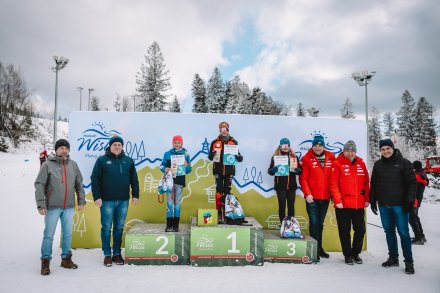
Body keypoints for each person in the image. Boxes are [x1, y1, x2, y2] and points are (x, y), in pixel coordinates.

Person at [35, 139, 85, 275]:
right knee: (48, 235)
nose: (64, 150)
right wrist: (41, 204)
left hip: (68, 206)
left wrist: (81, 201)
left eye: (66, 148)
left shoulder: (73, 165)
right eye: (61, 148)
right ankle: (45, 261)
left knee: (67, 234)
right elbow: (39, 184)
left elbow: (79, 184)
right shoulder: (47, 165)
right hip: (52, 206)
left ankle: (66, 259)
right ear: (56, 150)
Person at [370, 138, 417, 274]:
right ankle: (393, 258)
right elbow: (374, 184)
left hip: (400, 206)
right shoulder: (378, 164)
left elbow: (412, 183)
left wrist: (409, 201)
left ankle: (409, 262)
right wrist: (373, 200)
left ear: (393, 148)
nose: (385, 151)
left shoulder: (404, 163)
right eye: (383, 149)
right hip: (384, 205)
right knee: (389, 232)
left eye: (388, 148)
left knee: (403, 233)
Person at [91, 135, 139, 267]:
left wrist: (135, 195)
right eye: (114, 145)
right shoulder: (102, 160)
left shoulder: (128, 161)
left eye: (119, 144)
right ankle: (107, 254)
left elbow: (134, 179)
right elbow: (95, 179)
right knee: (106, 227)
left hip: (123, 200)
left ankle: (117, 253)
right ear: (110, 146)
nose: (117, 146)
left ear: (122, 146)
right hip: (106, 201)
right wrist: (97, 197)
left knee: (119, 227)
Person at [330, 141, 369, 265]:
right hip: (343, 205)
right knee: (344, 231)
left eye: (353, 151)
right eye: (348, 150)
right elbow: (333, 184)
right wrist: (338, 200)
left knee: (360, 230)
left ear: (355, 152)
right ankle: (347, 254)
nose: (350, 153)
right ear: (344, 151)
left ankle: (355, 252)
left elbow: (366, 183)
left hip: (358, 204)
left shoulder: (361, 164)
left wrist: (367, 199)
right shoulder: (337, 164)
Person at [299, 134, 335, 261]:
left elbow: (334, 177)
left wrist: (333, 194)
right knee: (314, 223)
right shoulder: (307, 158)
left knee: (320, 224)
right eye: (315, 145)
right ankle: (314, 249)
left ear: (323, 146)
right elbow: (303, 179)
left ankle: (319, 248)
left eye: (320, 145)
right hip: (312, 198)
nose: (317, 147)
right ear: (312, 146)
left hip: (325, 197)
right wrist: (307, 194)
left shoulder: (331, 157)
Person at [208, 122, 243, 223]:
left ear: (228, 130)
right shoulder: (214, 142)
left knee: (227, 191)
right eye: (222, 129)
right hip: (218, 170)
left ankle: (228, 214)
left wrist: (238, 157)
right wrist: (211, 154)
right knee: (219, 190)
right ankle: (219, 213)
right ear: (219, 130)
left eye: (226, 129)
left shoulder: (234, 142)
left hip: (229, 171)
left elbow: (239, 157)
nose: (224, 131)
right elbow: (210, 157)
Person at [160, 135, 192, 232]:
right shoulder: (167, 153)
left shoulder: (185, 154)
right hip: (170, 182)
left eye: (179, 142)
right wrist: (166, 169)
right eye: (175, 142)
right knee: (169, 203)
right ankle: (169, 225)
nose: (177, 144)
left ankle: (176, 225)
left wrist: (187, 165)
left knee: (177, 203)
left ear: (182, 143)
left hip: (180, 181)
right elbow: (162, 165)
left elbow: (189, 169)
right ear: (172, 143)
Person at [267, 138, 302, 224]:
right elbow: (270, 171)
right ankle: (283, 224)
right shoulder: (275, 157)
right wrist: (274, 170)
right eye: (283, 145)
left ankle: (291, 225)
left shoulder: (294, 157)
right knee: (282, 206)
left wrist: (297, 170)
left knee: (291, 206)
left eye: (287, 145)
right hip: (280, 187)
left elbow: (301, 170)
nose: (285, 147)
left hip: (292, 186)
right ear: (280, 146)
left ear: (289, 146)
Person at [410, 160, 429, 245]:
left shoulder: (417, 176)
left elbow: (412, 189)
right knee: (415, 217)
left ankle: (418, 238)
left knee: (412, 218)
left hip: (414, 200)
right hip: (418, 199)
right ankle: (421, 236)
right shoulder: (423, 174)